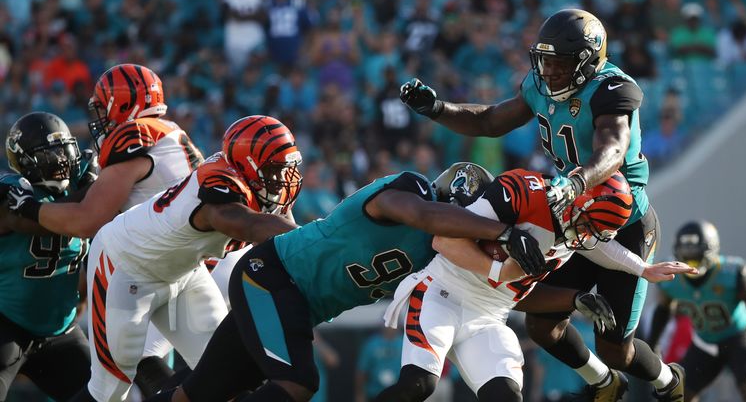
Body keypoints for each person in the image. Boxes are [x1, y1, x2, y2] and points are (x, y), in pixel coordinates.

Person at [400, 8, 684, 401]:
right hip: (567, 208)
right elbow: (490, 121)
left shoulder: (613, 88)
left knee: (615, 348)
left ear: (588, 60)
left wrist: (578, 180)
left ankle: (668, 381)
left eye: (560, 63)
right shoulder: (540, 83)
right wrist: (437, 109)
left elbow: (613, 149)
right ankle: (603, 383)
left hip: (618, 218)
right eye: (545, 61)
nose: (548, 72)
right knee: (542, 324)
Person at [146, 162, 599, 402]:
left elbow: (499, 291)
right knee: (298, 383)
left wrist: (574, 299)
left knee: (198, 393)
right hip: (272, 275)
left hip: (297, 305)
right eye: (467, 214)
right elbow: (423, 215)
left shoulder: (444, 251)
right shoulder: (411, 191)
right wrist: (500, 231)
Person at [34, 115, 301, 402]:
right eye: (275, 170)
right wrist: (317, 239)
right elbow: (249, 224)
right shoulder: (219, 185)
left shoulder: (257, 184)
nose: (283, 180)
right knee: (109, 390)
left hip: (184, 272)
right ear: (249, 165)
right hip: (125, 266)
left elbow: (284, 226)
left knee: (227, 371)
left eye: (287, 169)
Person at [374, 167, 696, 402]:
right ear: (578, 204)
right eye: (589, 225)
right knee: (418, 385)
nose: (587, 236)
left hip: (489, 316)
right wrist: (501, 260)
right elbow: (444, 240)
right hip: (443, 292)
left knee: (506, 396)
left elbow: (599, 246)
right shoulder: (524, 192)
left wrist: (641, 269)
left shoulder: (576, 230)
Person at [5, 63, 207, 397]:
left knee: (118, 385)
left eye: (103, 105)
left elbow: (85, 219)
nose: (99, 116)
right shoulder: (169, 132)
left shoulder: (133, 138)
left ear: (125, 104)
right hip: (190, 265)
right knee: (211, 371)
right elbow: (87, 216)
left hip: (150, 275)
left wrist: (32, 206)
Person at [0, 112, 95, 401]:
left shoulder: (80, 190)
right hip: (7, 323)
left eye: (64, 149)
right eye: (50, 154)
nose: (62, 160)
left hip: (60, 331)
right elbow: (52, 221)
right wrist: (96, 189)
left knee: (108, 395)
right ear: (26, 161)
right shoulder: (11, 196)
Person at [648, 221, 746, 402]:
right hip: (705, 342)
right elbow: (664, 310)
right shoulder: (672, 279)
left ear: (712, 250)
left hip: (737, 337)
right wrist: (652, 344)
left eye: (695, 257)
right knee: (679, 395)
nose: (691, 264)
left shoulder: (730, 272)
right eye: (686, 257)